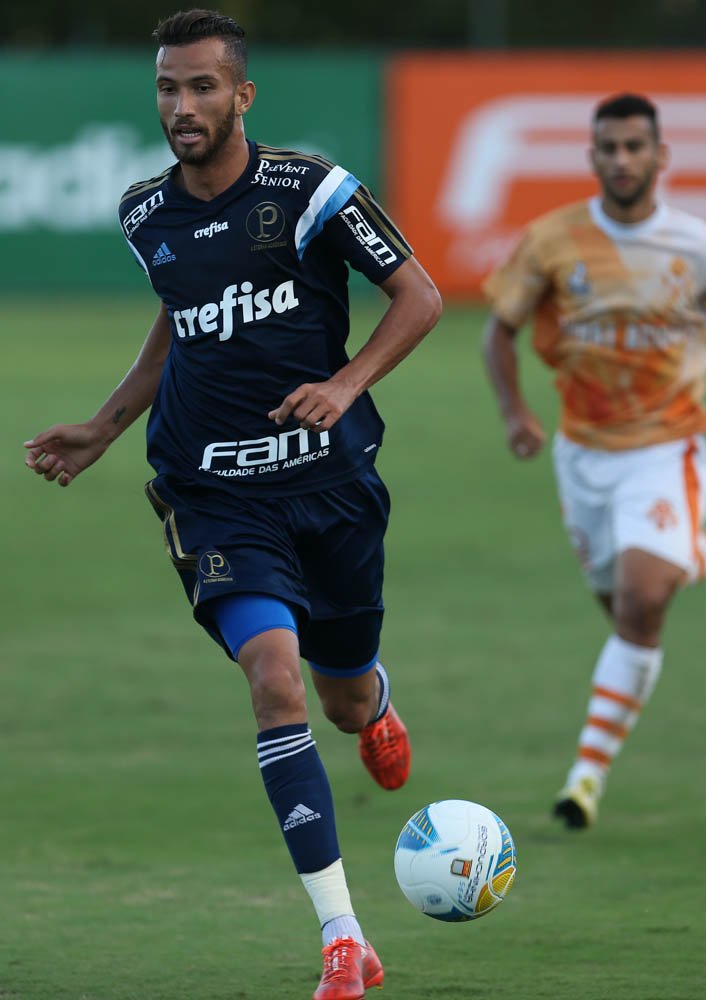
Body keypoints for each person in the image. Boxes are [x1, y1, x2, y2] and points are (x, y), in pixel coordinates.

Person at [24, 10, 441, 998]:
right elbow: (180, 318)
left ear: (241, 95)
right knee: (273, 679)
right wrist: (105, 424)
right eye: (168, 88)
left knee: (336, 695)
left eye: (203, 86)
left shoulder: (313, 192)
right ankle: (344, 937)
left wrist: (344, 384)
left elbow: (418, 295)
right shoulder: (142, 214)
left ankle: (373, 699)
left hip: (330, 487)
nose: (182, 106)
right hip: (210, 491)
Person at [481, 92, 706, 831]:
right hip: (581, 456)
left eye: (633, 147)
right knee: (623, 608)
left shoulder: (701, 246)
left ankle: (583, 780)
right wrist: (516, 413)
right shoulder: (551, 240)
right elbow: (499, 331)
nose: (621, 160)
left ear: (659, 156)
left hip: (666, 446)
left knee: (643, 604)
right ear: (591, 158)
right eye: (607, 148)